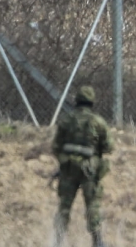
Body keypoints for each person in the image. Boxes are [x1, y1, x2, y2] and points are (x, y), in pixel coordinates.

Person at [53, 86, 113, 247]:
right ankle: (98, 241)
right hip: (89, 171)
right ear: (91, 102)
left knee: (64, 206)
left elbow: (56, 146)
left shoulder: (66, 120)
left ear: (77, 101)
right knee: (92, 206)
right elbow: (108, 147)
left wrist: (64, 160)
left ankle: (57, 241)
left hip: (68, 170)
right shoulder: (98, 122)